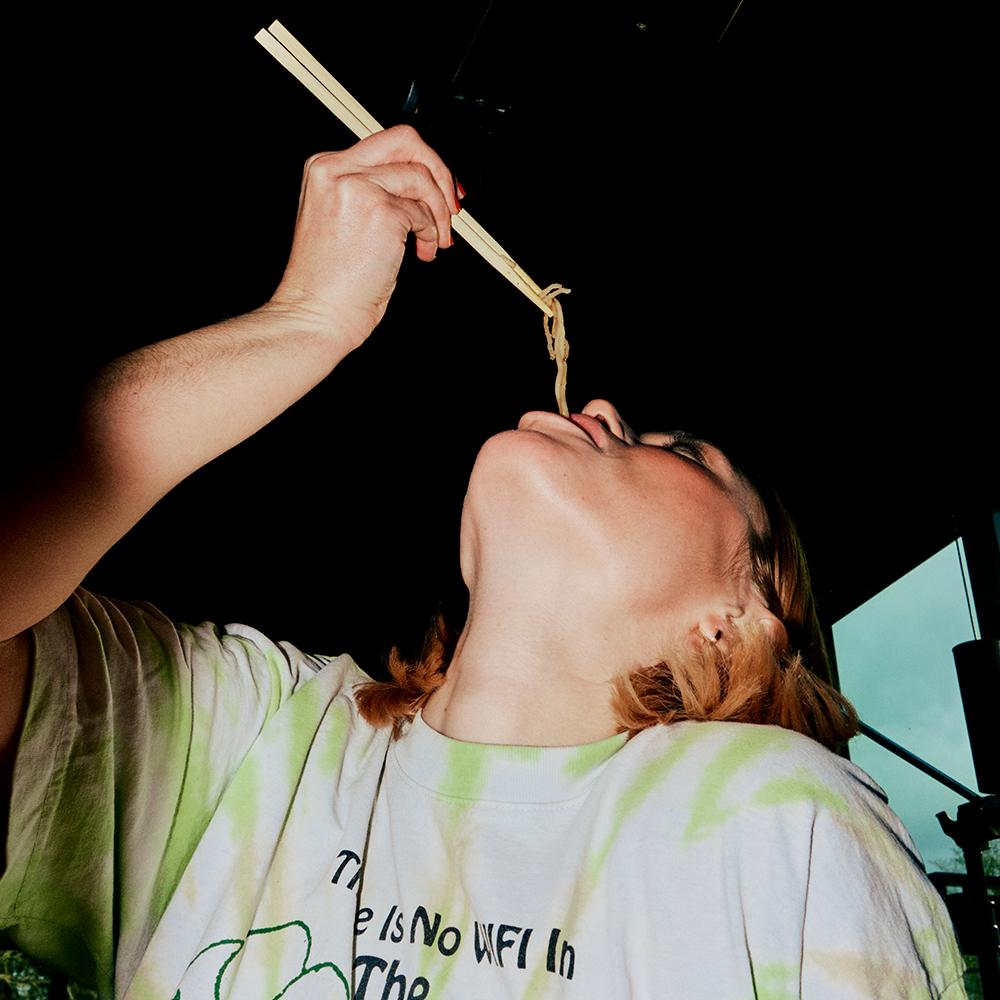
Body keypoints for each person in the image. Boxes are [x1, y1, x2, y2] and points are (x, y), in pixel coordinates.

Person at [0, 127, 968, 999]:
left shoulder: (777, 822)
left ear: (734, 619)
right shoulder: (253, 739)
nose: (601, 411)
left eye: (679, 452)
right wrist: (298, 323)